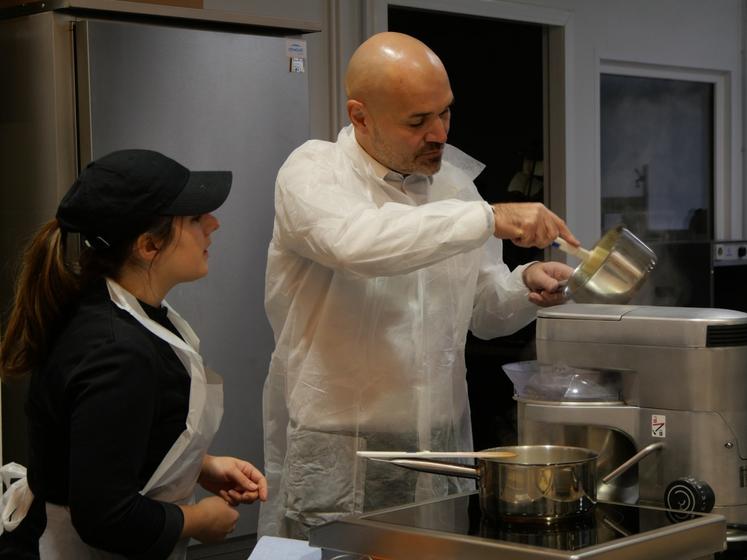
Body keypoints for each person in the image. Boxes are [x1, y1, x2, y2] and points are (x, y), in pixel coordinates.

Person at [259, 32, 578, 539]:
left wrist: (525, 287)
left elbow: (485, 312)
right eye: (417, 121)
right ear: (360, 115)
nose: (439, 134)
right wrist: (488, 218)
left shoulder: (454, 186)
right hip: (341, 445)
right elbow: (357, 244)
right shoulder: (313, 172)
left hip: (439, 441)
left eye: (445, 113)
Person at [0, 149, 268, 559]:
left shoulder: (120, 311)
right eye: (195, 219)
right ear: (147, 246)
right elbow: (104, 516)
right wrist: (199, 521)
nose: (213, 224)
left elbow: (99, 445)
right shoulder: (116, 352)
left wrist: (200, 465)